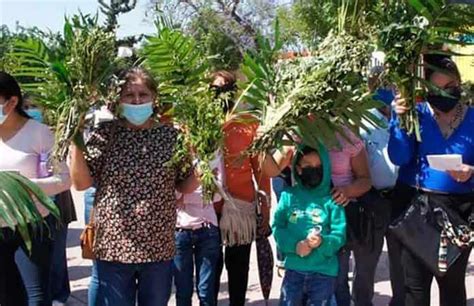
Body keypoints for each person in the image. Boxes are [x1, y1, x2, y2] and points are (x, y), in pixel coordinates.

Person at [69, 67, 199, 306]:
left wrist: (202, 163)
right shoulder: (105, 134)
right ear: (119, 100)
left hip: (158, 245)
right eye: (129, 95)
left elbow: (186, 186)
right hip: (114, 244)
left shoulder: (172, 137)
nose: (137, 101)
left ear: (154, 98)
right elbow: (81, 183)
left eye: (143, 95)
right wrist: (75, 141)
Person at [388, 56, 474, 306]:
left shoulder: (472, 118)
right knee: (414, 288)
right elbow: (399, 157)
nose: (445, 92)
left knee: (452, 286)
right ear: (426, 89)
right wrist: (399, 120)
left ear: (459, 83)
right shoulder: (416, 115)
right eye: (437, 88)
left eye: (451, 86)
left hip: (458, 213)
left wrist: (471, 171)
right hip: (416, 210)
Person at [212, 70, 292, 306]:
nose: (220, 96)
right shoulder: (201, 125)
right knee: (212, 266)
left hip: (242, 209)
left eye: (226, 90)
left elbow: (262, 174)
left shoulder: (248, 125)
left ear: (235, 92)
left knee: (238, 267)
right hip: (210, 210)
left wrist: (264, 212)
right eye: (215, 90)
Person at [0, 71, 71, 306]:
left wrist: (26, 187)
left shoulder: (40, 134)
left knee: (36, 296)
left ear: (12, 102)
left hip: (31, 226)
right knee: (7, 296)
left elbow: (63, 180)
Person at [273, 144, 346, 306]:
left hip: (323, 274)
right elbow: (278, 227)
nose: (314, 170)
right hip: (293, 272)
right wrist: (295, 246)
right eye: (308, 166)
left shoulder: (333, 200)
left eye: (319, 167)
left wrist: (323, 242)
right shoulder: (288, 196)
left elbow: (339, 235)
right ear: (298, 169)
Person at [23, 93, 78, 306]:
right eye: (26, 106)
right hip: (27, 208)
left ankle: (59, 295)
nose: (31, 111)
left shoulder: (56, 135)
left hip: (55, 204)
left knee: (56, 254)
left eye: (35, 106)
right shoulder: (15, 136)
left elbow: (65, 173)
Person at [361, 72, 403, 306]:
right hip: (372, 199)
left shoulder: (405, 116)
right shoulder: (362, 120)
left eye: (389, 83)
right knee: (366, 261)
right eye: (378, 84)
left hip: (400, 198)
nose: (385, 88)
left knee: (401, 262)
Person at [328, 128, 375, 306]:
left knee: (338, 281)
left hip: (338, 221)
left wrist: (347, 191)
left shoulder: (346, 137)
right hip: (305, 219)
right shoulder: (296, 133)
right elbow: (272, 170)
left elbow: (365, 180)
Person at [173, 154, 223, 306]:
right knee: (183, 291)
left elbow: (217, 195)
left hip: (207, 229)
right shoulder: (177, 155)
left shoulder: (213, 155)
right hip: (181, 230)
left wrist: (185, 196)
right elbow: (173, 193)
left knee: (205, 291)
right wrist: (193, 192)